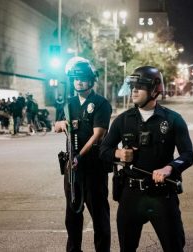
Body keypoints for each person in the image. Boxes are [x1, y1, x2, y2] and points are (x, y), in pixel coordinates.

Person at [100, 66, 193, 252]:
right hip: (131, 195)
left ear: (154, 90)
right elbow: (103, 150)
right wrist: (118, 154)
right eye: (132, 86)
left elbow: (187, 155)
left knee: (174, 246)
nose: (134, 91)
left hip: (162, 195)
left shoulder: (173, 119)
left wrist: (170, 168)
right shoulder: (123, 120)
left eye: (139, 87)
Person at [54, 57, 112, 252]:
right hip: (72, 168)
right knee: (72, 215)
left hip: (93, 167)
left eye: (83, 78)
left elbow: (98, 135)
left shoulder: (100, 103)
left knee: (99, 216)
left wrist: (80, 156)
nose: (78, 82)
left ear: (91, 80)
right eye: (75, 78)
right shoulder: (69, 104)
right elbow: (56, 125)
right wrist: (60, 124)